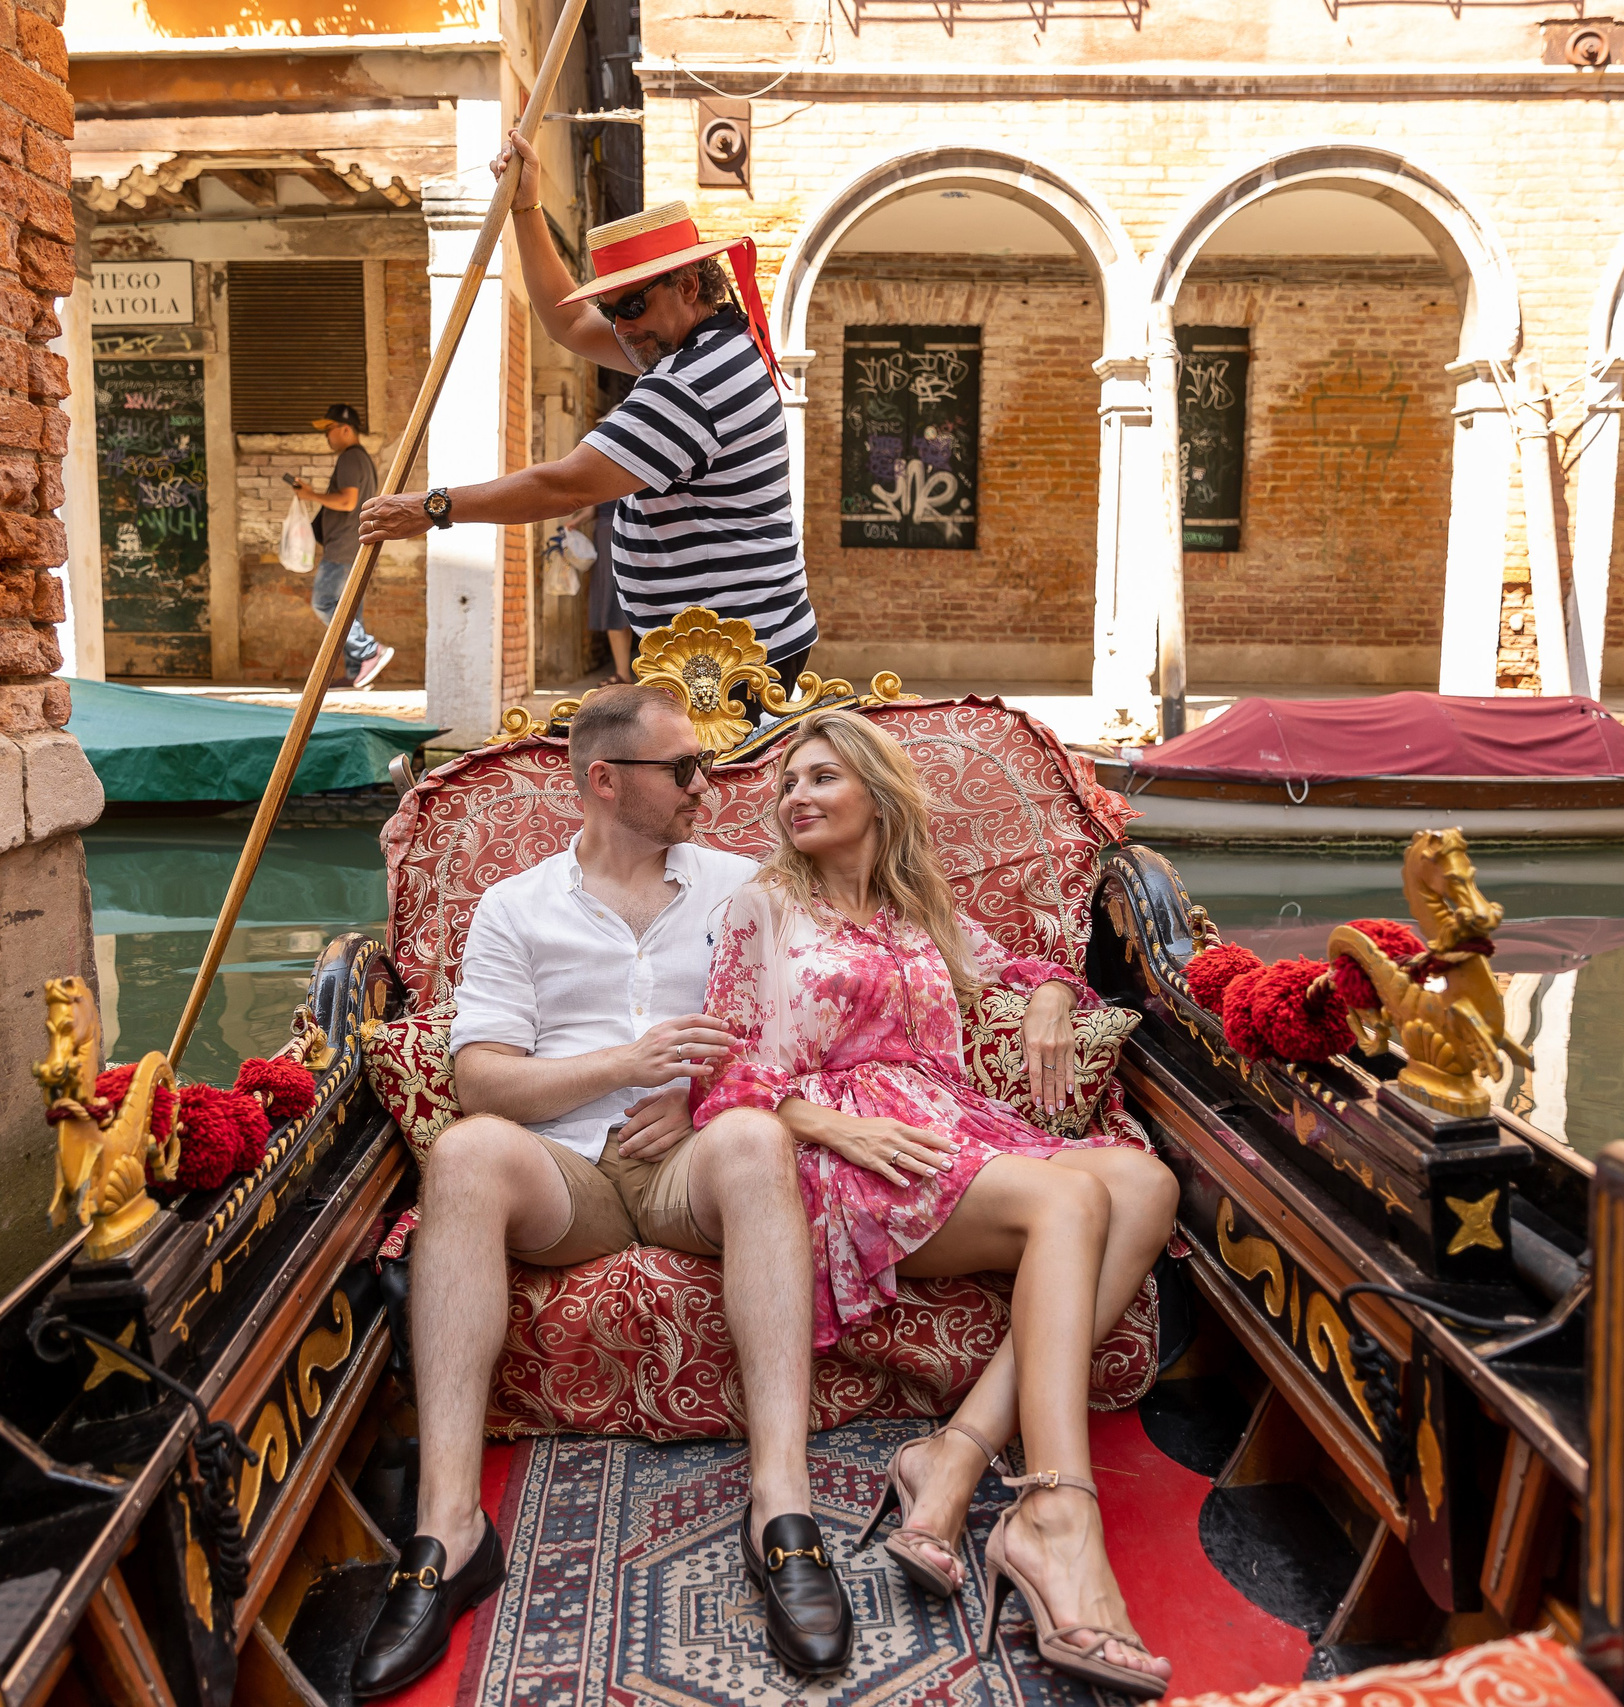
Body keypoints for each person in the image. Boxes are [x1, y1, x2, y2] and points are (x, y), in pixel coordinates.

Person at [351, 685, 853, 1696]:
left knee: (755, 1139)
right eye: (680, 770)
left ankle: (780, 1508)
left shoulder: (741, 886)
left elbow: (810, 1016)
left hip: (689, 1167)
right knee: (463, 1153)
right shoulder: (516, 906)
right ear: (604, 781)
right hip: (564, 1174)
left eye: (701, 766)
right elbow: (483, 1077)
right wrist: (624, 1064)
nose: (703, 787)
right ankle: (448, 1528)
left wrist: (707, 1096)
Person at [692, 710, 1180, 1697]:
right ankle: (1054, 1514)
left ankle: (952, 1454)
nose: (797, 798)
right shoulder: (763, 906)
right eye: (788, 785)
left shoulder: (918, 907)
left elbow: (1030, 968)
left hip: (949, 1132)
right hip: (842, 1152)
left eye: (822, 778)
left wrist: (1048, 995)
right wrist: (829, 1128)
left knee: (1145, 1180)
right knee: (1063, 1204)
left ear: (877, 794)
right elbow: (721, 1072)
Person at [360, 140, 817, 699]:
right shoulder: (710, 338)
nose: (622, 328)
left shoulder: (687, 381)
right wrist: (527, 210)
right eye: (613, 309)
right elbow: (572, 325)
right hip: (739, 635)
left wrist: (432, 509)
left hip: (730, 651)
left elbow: (564, 486)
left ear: (688, 287)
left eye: (631, 308)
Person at [290, 402, 396, 690]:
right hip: (355, 544)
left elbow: (348, 501)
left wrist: (311, 495)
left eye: (329, 429)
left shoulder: (350, 458)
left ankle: (368, 650)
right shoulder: (361, 459)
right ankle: (357, 673)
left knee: (323, 602)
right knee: (350, 610)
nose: (327, 436)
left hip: (343, 548)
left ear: (345, 430)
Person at [587, 496, 634, 683]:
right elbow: (589, 510)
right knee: (613, 598)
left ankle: (624, 674)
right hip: (610, 533)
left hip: (619, 533)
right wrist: (573, 525)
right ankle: (622, 673)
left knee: (614, 596)